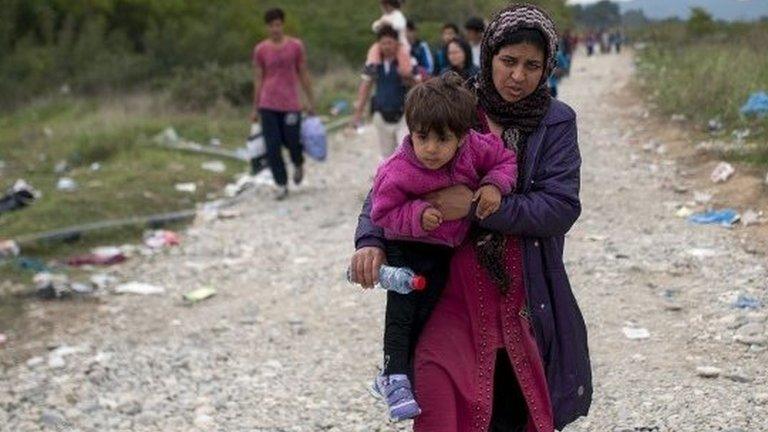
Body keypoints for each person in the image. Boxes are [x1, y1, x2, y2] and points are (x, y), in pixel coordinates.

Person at [350, 4, 592, 432]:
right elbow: (393, 177)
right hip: (451, 284)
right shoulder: (456, 104)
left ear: (548, 67)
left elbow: (560, 207)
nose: (518, 76)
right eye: (508, 61)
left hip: (524, 289)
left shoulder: (556, 122)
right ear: (490, 54)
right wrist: (370, 239)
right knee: (438, 391)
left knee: (512, 406)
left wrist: (480, 209)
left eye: (532, 66)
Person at [368, 72, 517, 422]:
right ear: (410, 131)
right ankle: (394, 375)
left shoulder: (475, 148)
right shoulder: (398, 169)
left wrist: (494, 186)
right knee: (403, 312)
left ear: (462, 136)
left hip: (442, 252)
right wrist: (417, 214)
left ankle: (400, 374)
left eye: (442, 139)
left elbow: (505, 161)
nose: (431, 149)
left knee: (427, 310)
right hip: (406, 247)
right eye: (422, 138)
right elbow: (383, 211)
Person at [252, 8, 315, 201]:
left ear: (283, 25)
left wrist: (310, 100)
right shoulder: (261, 50)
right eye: (271, 25)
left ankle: (298, 163)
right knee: (272, 146)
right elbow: (258, 79)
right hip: (268, 103)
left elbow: (303, 73)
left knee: (292, 140)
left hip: (290, 103)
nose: (275, 29)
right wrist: (255, 108)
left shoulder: (295, 46)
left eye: (278, 24)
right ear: (267, 27)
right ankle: (281, 184)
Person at [351, 25, 411, 159]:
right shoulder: (373, 64)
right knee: (388, 157)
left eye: (390, 42)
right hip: (381, 114)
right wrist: (357, 114)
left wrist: (408, 76)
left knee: (405, 153)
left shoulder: (405, 62)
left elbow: (416, 84)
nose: (387, 46)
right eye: (383, 43)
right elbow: (365, 88)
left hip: (403, 114)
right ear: (379, 44)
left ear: (397, 43)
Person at [365, 0, 413, 79]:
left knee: (403, 53)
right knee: (374, 49)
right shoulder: (384, 16)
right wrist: (380, 24)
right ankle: (372, 66)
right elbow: (375, 27)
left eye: (386, 5)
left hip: (399, 43)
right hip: (384, 42)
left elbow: (399, 25)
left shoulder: (398, 15)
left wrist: (387, 23)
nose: (385, 8)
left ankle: (405, 71)